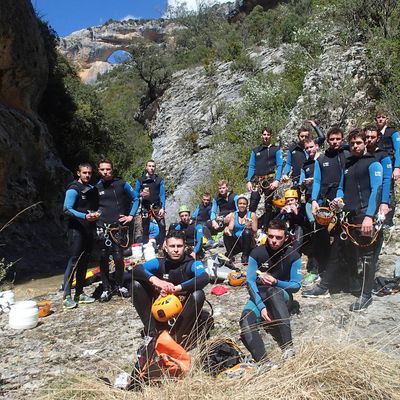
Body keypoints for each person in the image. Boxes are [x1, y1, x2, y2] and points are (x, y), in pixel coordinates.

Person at [304, 129, 383, 311]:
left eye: (359, 143)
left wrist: (369, 217)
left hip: (364, 216)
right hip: (348, 218)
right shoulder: (348, 164)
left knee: (367, 257)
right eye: (353, 143)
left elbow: (376, 192)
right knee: (337, 250)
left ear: (365, 144)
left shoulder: (373, 164)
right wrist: (338, 200)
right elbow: (341, 187)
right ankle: (325, 287)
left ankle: (365, 295)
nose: (355, 146)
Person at [131, 230, 210, 348]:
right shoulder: (159, 262)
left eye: (179, 246)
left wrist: (176, 288)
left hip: (182, 315)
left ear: (185, 247)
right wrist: (156, 281)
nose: (176, 250)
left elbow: (204, 277)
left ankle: (175, 339)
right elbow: (136, 270)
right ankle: (152, 333)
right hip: (160, 313)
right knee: (136, 285)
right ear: (165, 247)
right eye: (172, 246)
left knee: (199, 294)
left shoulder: (192, 263)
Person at [240, 219, 302, 365]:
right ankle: (264, 363)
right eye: (271, 236)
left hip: (281, 295)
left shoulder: (293, 255)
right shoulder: (256, 252)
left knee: (272, 291)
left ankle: (288, 347)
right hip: (259, 296)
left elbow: (296, 285)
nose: (274, 241)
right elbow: (250, 281)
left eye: (279, 237)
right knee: (245, 320)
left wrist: (276, 282)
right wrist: (261, 307)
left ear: (286, 237)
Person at [96, 159, 137, 302]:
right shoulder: (96, 187)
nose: (105, 172)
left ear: (112, 170)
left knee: (119, 257)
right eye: (102, 169)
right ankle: (106, 289)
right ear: (98, 170)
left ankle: (120, 285)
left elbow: (136, 198)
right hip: (101, 227)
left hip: (117, 227)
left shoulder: (122, 184)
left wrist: (130, 216)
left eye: (108, 169)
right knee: (103, 258)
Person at [62, 163, 99, 309]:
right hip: (76, 230)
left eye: (89, 173)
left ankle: (79, 293)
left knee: (85, 262)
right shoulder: (73, 189)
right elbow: (66, 209)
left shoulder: (91, 189)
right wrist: (85, 216)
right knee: (73, 262)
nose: (87, 175)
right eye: (84, 173)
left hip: (89, 230)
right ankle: (66, 297)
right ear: (78, 173)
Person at [246, 127, 283, 230]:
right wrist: (249, 180)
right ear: (261, 136)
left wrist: (277, 180)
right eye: (264, 134)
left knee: (268, 205)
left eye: (268, 135)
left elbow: (280, 165)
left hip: (270, 179)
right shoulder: (255, 151)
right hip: (257, 180)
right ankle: (249, 227)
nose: (266, 137)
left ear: (271, 136)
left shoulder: (276, 150)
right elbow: (252, 166)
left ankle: (266, 228)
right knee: (253, 203)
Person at [375, 111, 400, 225]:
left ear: (387, 119)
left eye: (383, 117)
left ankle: (387, 220)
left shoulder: (392, 132)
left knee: (388, 191)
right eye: (378, 117)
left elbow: (398, 149)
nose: (380, 119)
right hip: (377, 164)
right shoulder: (374, 133)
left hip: (390, 163)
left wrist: (397, 167)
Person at [133, 160, 166, 247]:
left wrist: (163, 208)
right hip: (145, 206)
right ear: (146, 167)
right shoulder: (140, 180)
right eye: (150, 166)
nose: (151, 168)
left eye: (153, 166)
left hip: (157, 205)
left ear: (155, 168)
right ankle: (145, 246)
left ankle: (161, 246)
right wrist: (140, 194)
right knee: (145, 227)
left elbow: (162, 194)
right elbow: (134, 193)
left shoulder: (159, 180)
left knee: (162, 225)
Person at [282, 120, 325, 186]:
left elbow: (322, 137)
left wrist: (315, 126)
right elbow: (288, 163)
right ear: (298, 136)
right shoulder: (293, 148)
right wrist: (285, 174)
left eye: (306, 136)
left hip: (312, 178)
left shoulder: (312, 145)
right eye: (302, 136)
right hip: (297, 180)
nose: (304, 138)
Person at [223, 195, 257, 265]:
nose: (242, 205)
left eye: (244, 204)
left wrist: (250, 226)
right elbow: (230, 228)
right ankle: (230, 255)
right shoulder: (234, 215)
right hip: (237, 241)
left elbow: (255, 231)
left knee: (246, 232)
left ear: (247, 205)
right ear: (237, 205)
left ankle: (245, 256)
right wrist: (227, 229)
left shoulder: (252, 215)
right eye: (240, 204)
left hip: (248, 241)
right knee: (225, 234)